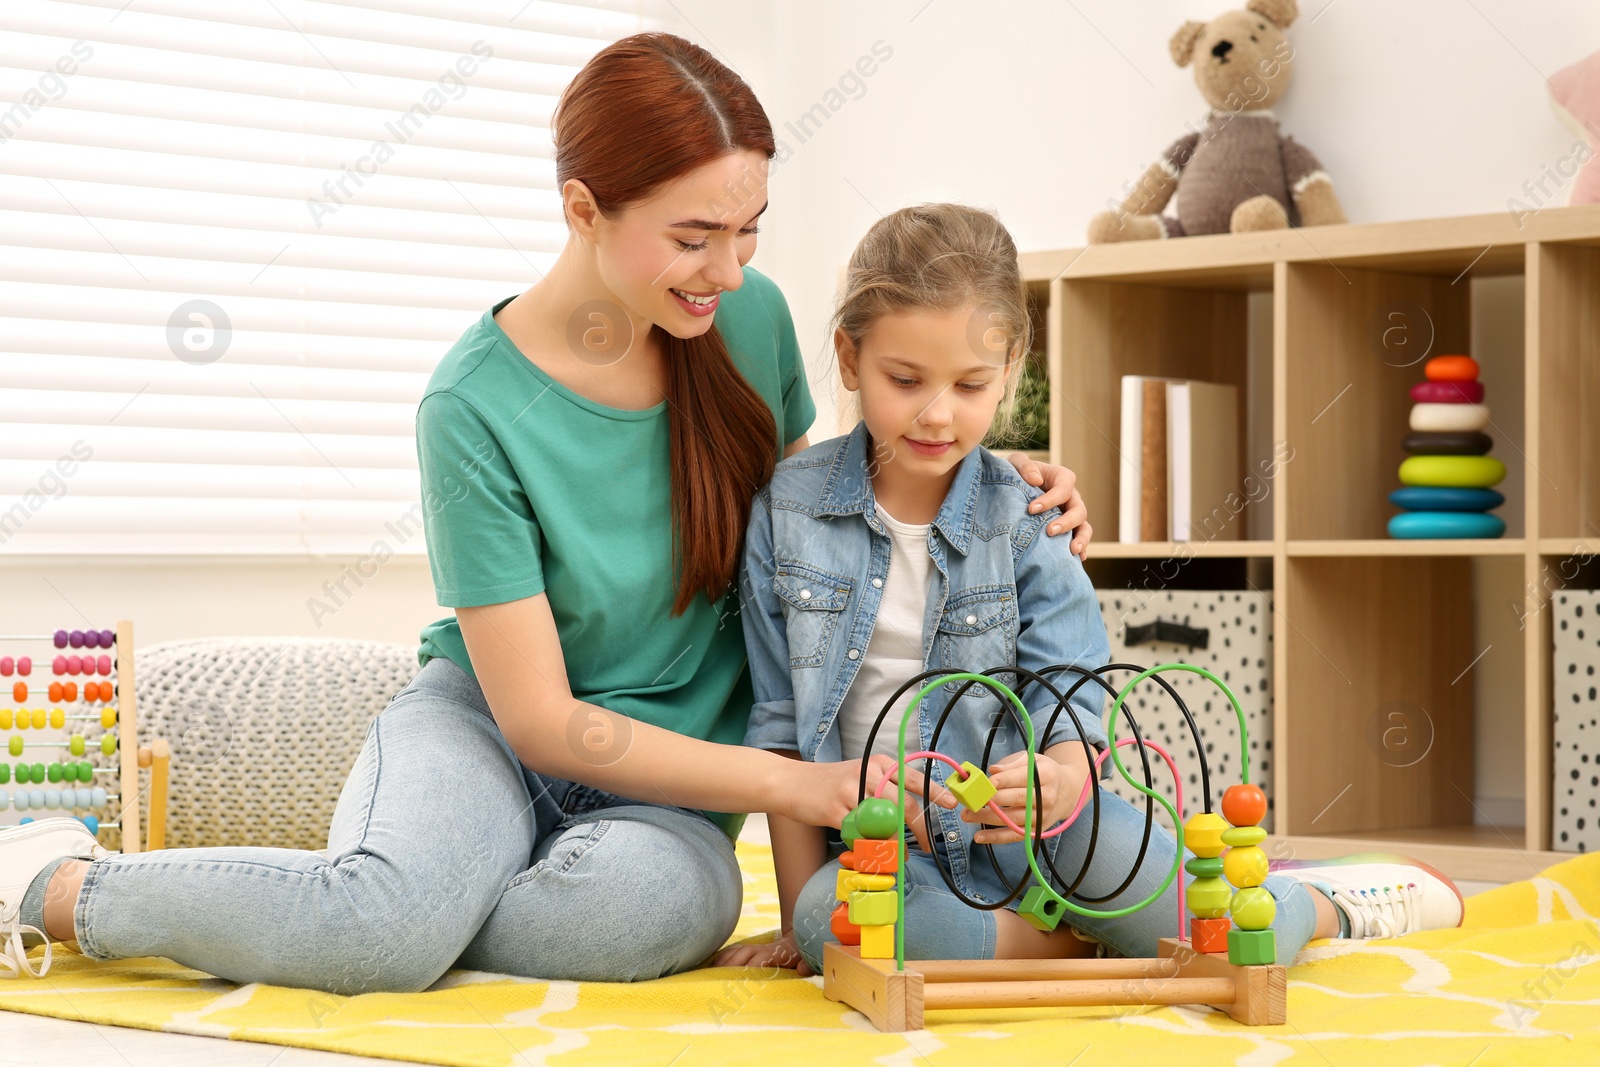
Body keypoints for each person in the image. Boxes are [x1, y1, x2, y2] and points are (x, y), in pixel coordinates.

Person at [0, 33, 1097, 991]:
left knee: (630, 920)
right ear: (581, 208)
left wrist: (994, 482)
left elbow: (830, 518)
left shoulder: (746, 319)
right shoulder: (470, 404)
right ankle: (57, 882)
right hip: (491, 728)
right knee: (384, 930)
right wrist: (801, 781)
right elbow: (536, 718)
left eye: (749, 229)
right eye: (692, 236)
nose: (728, 266)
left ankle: (389, 902)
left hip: (672, 784)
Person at [713, 203, 1465, 977]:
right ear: (849, 357)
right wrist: (800, 932)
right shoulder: (787, 511)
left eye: (972, 384)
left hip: (1043, 835)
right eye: (904, 380)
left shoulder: (1027, 515)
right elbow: (779, 728)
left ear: (1011, 370)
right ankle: (1077, 942)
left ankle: (1325, 901)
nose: (938, 413)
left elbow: (1071, 690)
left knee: (1237, 940)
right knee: (830, 927)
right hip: (886, 855)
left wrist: (1064, 773)